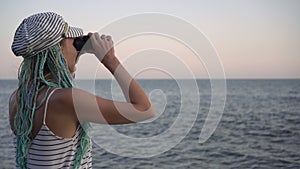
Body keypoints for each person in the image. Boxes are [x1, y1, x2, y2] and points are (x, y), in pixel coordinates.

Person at [9, 12, 156, 169]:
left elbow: (60, 79)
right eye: (72, 43)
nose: (77, 48)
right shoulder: (66, 100)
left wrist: (72, 56)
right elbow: (144, 110)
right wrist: (110, 60)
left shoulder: (18, 98)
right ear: (57, 51)